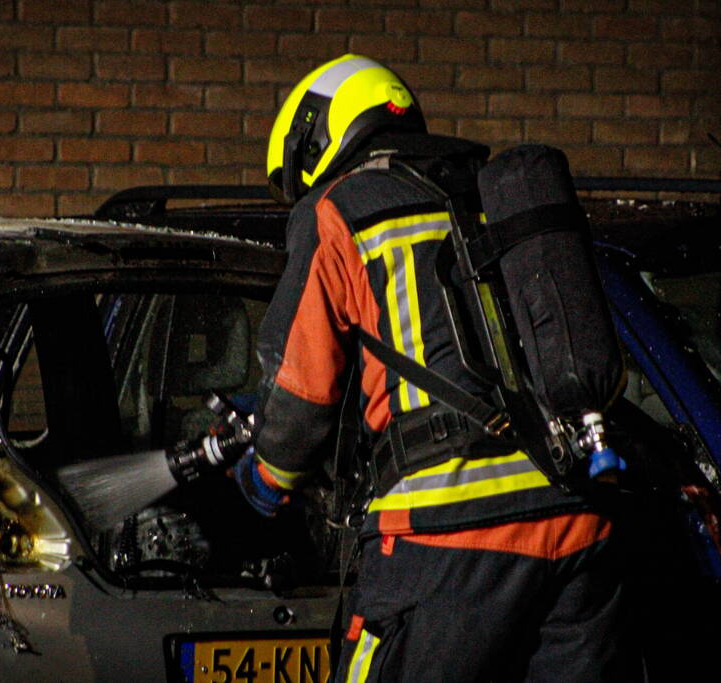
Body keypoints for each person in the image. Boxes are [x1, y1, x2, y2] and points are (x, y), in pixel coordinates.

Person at [234, 54, 630, 682]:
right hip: (575, 518)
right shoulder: (489, 193)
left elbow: (301, 390)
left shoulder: (338, 212)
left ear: (314, 137)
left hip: (446, 532)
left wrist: (265, 478)